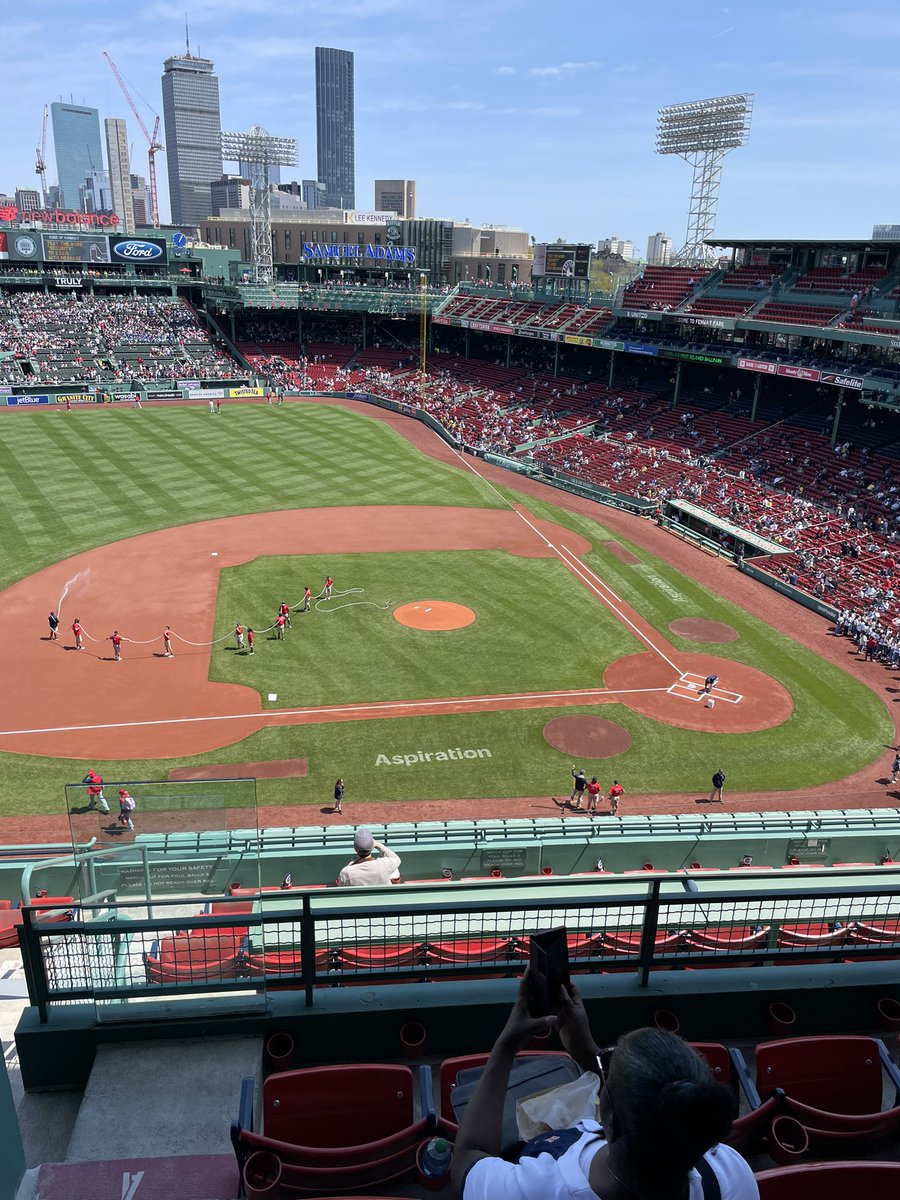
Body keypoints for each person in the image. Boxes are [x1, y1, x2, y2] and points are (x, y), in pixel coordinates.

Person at [452, 972, 756, 1200]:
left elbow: (468, 1160)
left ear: (607, 1119)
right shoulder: (731, 1177)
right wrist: (588, 1052)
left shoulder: (539, 1188)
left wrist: (506, 1046)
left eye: (608, 1068)